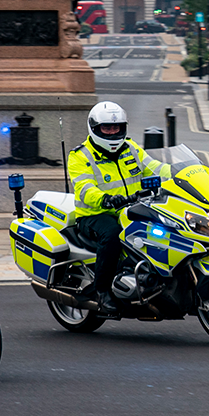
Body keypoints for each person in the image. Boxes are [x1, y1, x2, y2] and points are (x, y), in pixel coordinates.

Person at [66, 102, 172, 313]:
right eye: (107, 128)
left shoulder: (131, 149)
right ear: (95, 128)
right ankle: (102, 291)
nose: (113, 132)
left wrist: (183, 175)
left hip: (133, 209)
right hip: (96, 214)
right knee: (113, 234)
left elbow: (156, 168)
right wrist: (105, 199)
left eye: (117, 127)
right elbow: (85, 188)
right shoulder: (80, 156)